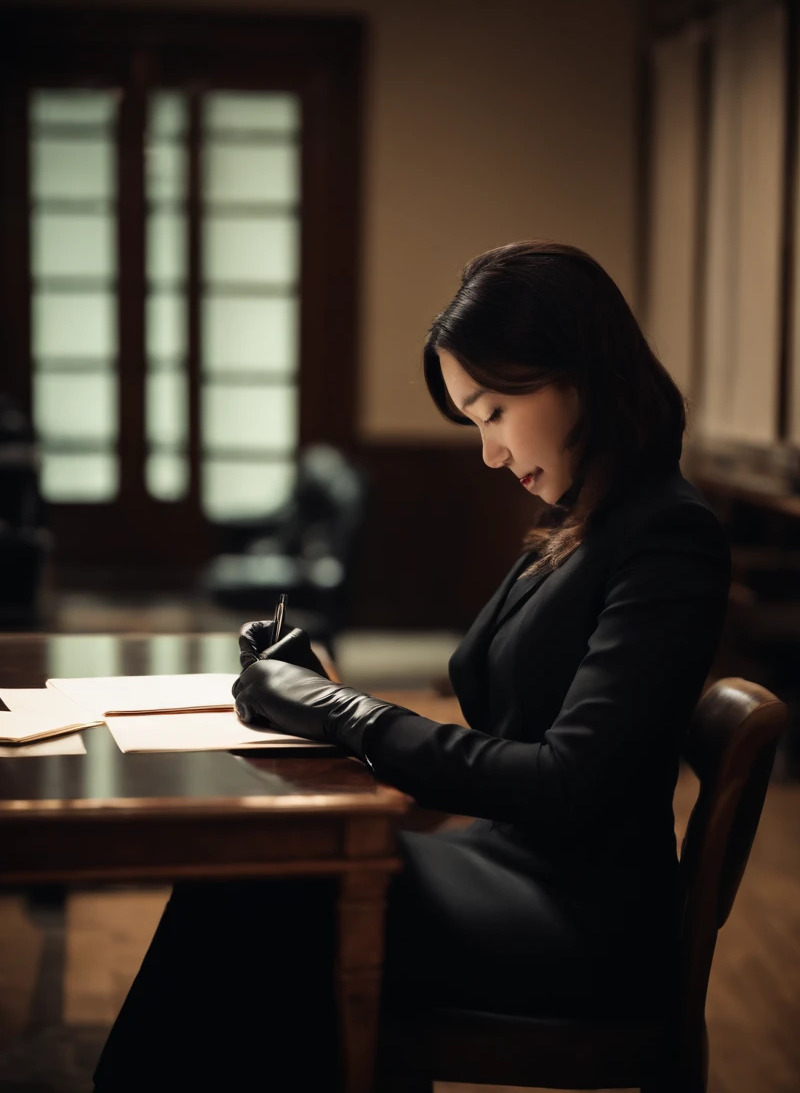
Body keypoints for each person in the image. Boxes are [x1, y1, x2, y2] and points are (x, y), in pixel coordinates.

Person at [93, 240, 731, 1091]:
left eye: (494, 411)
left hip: (582, 921)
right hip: (510, 866)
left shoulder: (665, 534)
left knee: (261, 889)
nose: (489, 454)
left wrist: (341, 715)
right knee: (256, 875)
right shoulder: (587, 518)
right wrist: (323, 692)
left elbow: (570, 780)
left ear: (579, 369)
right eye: (475, 423)